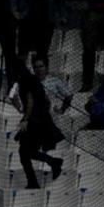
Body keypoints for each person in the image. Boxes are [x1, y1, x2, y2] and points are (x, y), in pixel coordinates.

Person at [11, 60, 64, 189]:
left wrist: (26, 119)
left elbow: (30, 103)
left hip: (34, 123)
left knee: (24, 153)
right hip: (41, 121)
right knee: (27, 153)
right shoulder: (35, 81)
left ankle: (36, 179)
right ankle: (50, 165)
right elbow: (46, 100)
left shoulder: (26, 83)